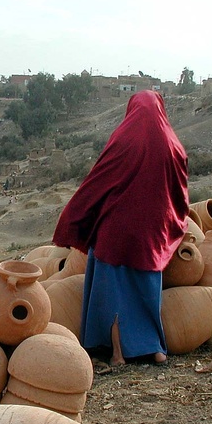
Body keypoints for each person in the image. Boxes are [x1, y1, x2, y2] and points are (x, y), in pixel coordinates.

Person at [52, 90, 189, 366]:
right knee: (146, 292)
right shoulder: (173, 145)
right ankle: (154, 347)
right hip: (151, 235)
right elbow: (179, 191)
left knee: (113, 290)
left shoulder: (123, 139)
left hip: (115, 232)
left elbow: (98, 180)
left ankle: (116, 353)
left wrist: (77, 216)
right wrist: (175, 220)